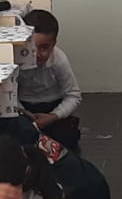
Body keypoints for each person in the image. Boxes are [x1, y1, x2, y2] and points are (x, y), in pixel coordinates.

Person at [16, 9, 83, 153]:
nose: (37, 54)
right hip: (24, 108)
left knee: (67, 138)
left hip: (53, 108)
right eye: (32, 47)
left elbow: (73, 95)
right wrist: (23, 111)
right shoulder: (15, 61)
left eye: (44, 48)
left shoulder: (59, 61)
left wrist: (53, 116)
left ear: (53, 44)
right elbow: (8, 93)